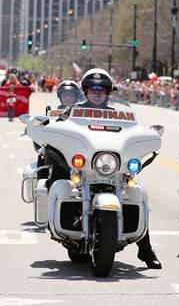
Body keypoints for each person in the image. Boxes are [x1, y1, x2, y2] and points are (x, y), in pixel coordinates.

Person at [65, 68, 162, 270]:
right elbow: (60, 129)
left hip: (112, 167)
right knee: (61, 184)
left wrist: (147, 135)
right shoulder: (73, 112)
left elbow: (133, 131)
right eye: (93, 89)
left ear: (108, 91)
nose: (97, 92)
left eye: (102, 89)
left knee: (136, 195)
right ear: (85, 90)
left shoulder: (120, 115)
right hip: (84, 167)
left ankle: (146, 250)